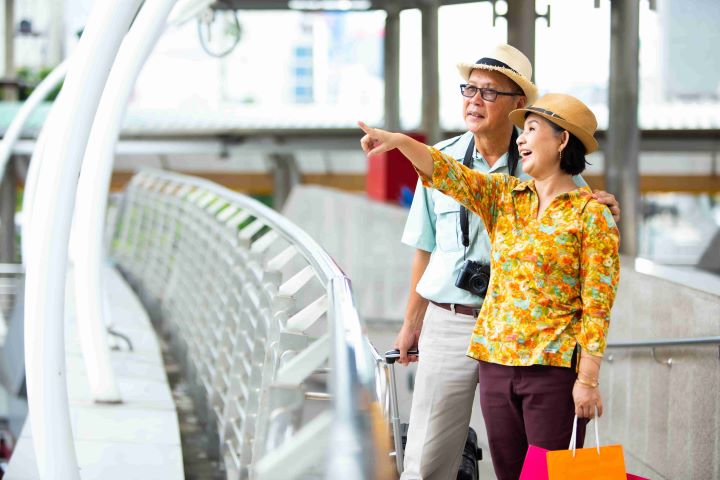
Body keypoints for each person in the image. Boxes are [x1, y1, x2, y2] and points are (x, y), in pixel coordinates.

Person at [359, 92, 620, 480]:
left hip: (551, 370)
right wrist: (399, 142)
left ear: (562, 140)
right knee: (509, 474)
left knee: (551, 476)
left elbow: (598, 304)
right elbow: (450, 174)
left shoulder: (591, 214)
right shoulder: (506, 199)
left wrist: (588, 379)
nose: (521, 138)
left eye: (531, 129)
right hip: (496, 365)